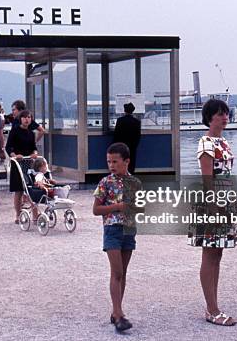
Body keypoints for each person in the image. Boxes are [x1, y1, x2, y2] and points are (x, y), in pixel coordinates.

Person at [188, 98, 237, 326]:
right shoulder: (206, 142)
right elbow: (207, 177)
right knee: (210, 253)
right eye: (219, 114)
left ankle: (214, 305)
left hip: (226, 198)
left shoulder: (224, 142)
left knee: (218, 252)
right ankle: (212, 309)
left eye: (226, 114)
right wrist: (213, 204)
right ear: (209, 117)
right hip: (213, 200)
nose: (224, 118)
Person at [92, 142, 141, 333]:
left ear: (126, 162)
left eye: (115, 161)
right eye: (109, 162)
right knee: (117, 272)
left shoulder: (135, 183)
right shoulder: (105, 183)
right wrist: (117, 207)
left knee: (123, 272)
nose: (111, 165)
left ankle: (116, 310)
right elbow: (96, 209)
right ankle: (119, 314)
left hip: (128, 229)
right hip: (112, 230)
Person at [6, 109, 39, 222]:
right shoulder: (15, 131)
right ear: (20, 119)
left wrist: (34, 153)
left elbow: (34, 147)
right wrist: (14, 155)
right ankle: (18, 214)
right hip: (17, 163)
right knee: (18, 190)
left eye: (29, 117)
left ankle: (35, 214)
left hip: (28, 163)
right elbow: (8, 146)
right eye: (24, 117)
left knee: (31, 188)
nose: (27, 119)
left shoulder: (31, 133)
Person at [113, 102, 141, 174]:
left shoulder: (120, 120)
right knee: (131, 161)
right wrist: (135, 145)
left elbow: (116, 134)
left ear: (125, 110)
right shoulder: (137, 122)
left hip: (121, 145)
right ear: (133, 111)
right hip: (132, 146)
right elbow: (138, 135)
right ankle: (130, 174)